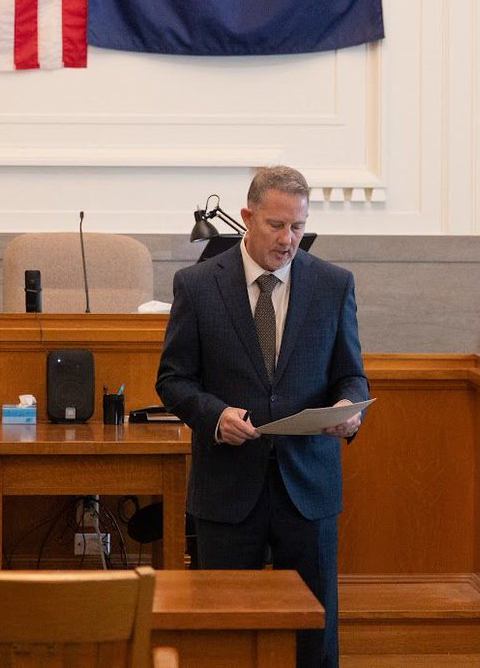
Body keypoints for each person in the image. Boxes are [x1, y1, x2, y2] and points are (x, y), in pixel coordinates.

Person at [156, 165, 368, 668]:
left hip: (308, 485)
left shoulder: (334, 284)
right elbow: (172, 380)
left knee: (314, 639)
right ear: (247, 217)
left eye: (298, 226)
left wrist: (348, 408)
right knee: (225, 635)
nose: (288, 239)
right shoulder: (198, 285)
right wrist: (215, 415)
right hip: (228, 488)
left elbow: (351, 376)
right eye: (276, 225)